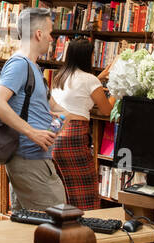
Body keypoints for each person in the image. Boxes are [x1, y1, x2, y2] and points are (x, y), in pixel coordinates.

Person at [0, 7, 67, 211]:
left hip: (34, 157)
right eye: (50, 32)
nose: (52, 39)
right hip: (29, 157)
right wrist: (32, 132)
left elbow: (47, 106)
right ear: (38, 34)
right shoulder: (20, 65)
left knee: (28, 223)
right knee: (57, 218)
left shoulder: (32, 66)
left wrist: (60, 115)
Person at [49, 39, 116, 211]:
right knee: (86, 185)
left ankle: (64, 223)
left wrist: (99, 78)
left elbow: (78, 92)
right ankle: (86, 224)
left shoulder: (59, 77)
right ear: (88, 57)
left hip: (55, 132)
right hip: (74, 135)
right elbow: (106, 110)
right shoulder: (89, 80)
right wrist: (117, 88)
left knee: (65, 186)